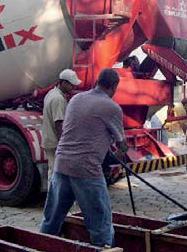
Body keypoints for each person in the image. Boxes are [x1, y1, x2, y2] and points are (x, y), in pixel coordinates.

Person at [40, 68, 128, 247]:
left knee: (52, 219)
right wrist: (119, 155)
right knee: (101, 223)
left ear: (97, 82)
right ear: (114, 87)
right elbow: (122, 144)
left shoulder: (76, 99)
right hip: (86, 169)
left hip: (62, 164)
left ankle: (41, 244)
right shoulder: (112, 107)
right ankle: (105, 248)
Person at [42, 69, 81, 180]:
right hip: (55, 142)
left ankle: (52, 196)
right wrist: (63, 145)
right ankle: (54, 196)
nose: (74, 87)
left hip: (49, 140)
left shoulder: (52, 93)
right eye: (72, 85)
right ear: (63, 83)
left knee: (53, 171)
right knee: (57, 174)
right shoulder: (58, 99)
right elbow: (59, 123)